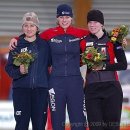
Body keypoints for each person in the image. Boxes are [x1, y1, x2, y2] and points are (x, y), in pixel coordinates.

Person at [8, 4, 89, 130]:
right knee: (56, 122)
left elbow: (98, 35)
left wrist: (117, 40)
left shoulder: (81, 33)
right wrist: (15, 39)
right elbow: (30, 36)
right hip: (55, 83)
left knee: (78, 121)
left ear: (71, 18)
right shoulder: (49, 34)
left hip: (74, 81)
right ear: (57, 18)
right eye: (61, 17)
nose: (64, 20)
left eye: (67, 17)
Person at [80, 10, 127, 130]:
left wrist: (104, 67)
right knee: (95, 127)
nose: (92, 25)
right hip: (92, 89)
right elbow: (76, 62)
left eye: (95, 22)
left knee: (112, 127)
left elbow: (123, 65)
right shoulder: (83, 41)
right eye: (89, 22)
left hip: (112, 88)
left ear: (102, 24)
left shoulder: (114, 40)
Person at [5, 12, 50, 130]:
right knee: (21, 125)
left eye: (32, 25)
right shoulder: (16, 45)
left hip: (41, 91)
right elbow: (9, 68)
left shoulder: (45, 45)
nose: (29, 28)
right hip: (21, 91)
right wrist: (19, 72)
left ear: (37, 28)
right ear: (22, 27)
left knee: (39, 126)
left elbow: (53, 63)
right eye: (26, 25)